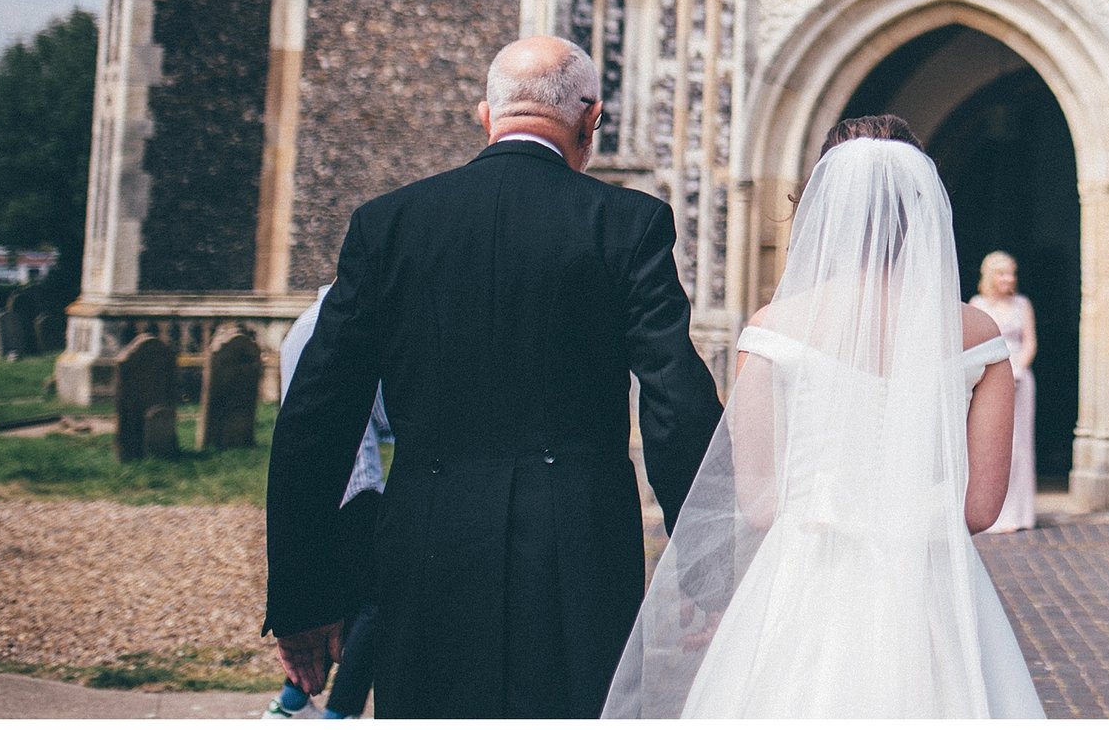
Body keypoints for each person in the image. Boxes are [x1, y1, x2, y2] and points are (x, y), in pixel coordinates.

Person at [265, 37, 724, 718]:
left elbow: (316, 417)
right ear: (590, 118)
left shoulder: (387, 226)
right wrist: (710, 574)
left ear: (487, 116)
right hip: (580, 548)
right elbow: (676, 405)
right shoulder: (627, 224)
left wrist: (303, 599)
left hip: (428, 542)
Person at [602, 115, 1044, 718]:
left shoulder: (774, 329)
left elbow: (758, 504)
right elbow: (980, 509)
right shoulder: (979, 336)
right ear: (922, 209)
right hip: (930, 588)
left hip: (804, 580)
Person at [264, 287, 389, 719]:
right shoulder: (331, 324)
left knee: (352, 604)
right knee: (376, 603)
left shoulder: (336, 314)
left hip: (351, 481)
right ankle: (335, 714)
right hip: (351, 486)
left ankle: (292, 704)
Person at [970, 250, 1038, 533]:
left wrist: (1017, 371)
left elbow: (1030, 342)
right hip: (985, 377)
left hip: (1019, 378)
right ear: (990, 276)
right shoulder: (977, 304)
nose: (1009, 279)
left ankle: (1018, 514)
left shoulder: (1022, 305)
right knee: (986, 442)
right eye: (1002, 273)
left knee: (1018, 445)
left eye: (1012, 273)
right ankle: (986, 513)